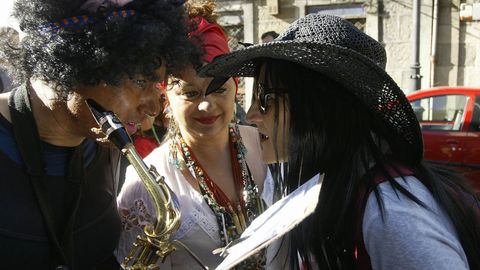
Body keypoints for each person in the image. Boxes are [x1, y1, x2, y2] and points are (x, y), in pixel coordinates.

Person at [200, 14, 480, 270]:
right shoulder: (320, 183)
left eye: (265, 99)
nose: (250, 115)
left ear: (319, 108)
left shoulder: (392, 216)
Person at [0, 0, 200, 269]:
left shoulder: (107, 145)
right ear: (77, 63)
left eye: (157, 84)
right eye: (140, 81)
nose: (154, 107)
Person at [116, 1, 269, 269]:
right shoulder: (146, 183)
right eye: (190, 93)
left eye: (219, 90)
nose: (207, 105)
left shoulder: (268, 145)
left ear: (236, 89)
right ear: (167, 98)